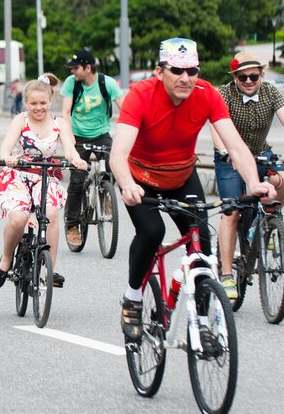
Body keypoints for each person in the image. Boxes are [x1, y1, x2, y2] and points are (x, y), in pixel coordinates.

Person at [109, 38, 275, 343]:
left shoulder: (207, 94)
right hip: (140, 179)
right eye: (177, 70)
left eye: (192, 70)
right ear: (160, 71)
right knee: (151, 231)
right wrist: (127, 184)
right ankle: (132, 299)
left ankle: (202, 322)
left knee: (201, 243)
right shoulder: (141, 96)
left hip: (182, 175)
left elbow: (235, 145)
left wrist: (253, 182)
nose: (186, 78)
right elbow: (117, 153)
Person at [211, 51, 284, 298]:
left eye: (254, 76)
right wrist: (223, 151)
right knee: (231, 212)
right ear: (235, 77)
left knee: (283, 181)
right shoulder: (223, 94)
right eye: (243, 77)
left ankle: (270, 222)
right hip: (230, 157)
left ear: (262, 75)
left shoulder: (271, 92)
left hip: (261, 153)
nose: (249, 81)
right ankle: (228, 274)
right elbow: (216, 127)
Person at [0, 74, 87, 288]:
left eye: (43, 103)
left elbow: (70, 150)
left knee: (50, 214)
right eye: (33, 103)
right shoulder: (20, 120)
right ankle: (6, 258)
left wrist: (77, 160)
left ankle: (51, 268)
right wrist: (9, 157)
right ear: (26, 102)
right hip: (18, 175)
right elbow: (5, 147)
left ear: (50, 101)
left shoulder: (60, 123)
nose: (38, 108)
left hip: (45, 175)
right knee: (18, 218)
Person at [60, 49, 125, 248]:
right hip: (78, 136)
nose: (73, 72)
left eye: (76, 68)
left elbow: (126, 110)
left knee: (115, 165)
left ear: (88, 68)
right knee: (77, 180)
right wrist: (69, 138)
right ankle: (72, 225)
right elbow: (66, 111)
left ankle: (106, 195)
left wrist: (125, 134)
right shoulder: (72, 83)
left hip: (102, 134)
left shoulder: (107, 83)